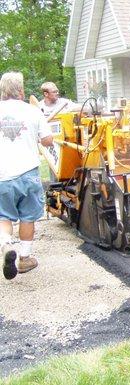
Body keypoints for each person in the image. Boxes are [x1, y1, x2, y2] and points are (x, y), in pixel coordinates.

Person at [0, 72, 53, 280]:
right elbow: (47, 140)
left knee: (3, 216)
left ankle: (5, 244)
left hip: (2, 176)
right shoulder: (33, 111)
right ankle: (24, 258)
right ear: (20, 91)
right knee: (27, 217)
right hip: (28, 173)